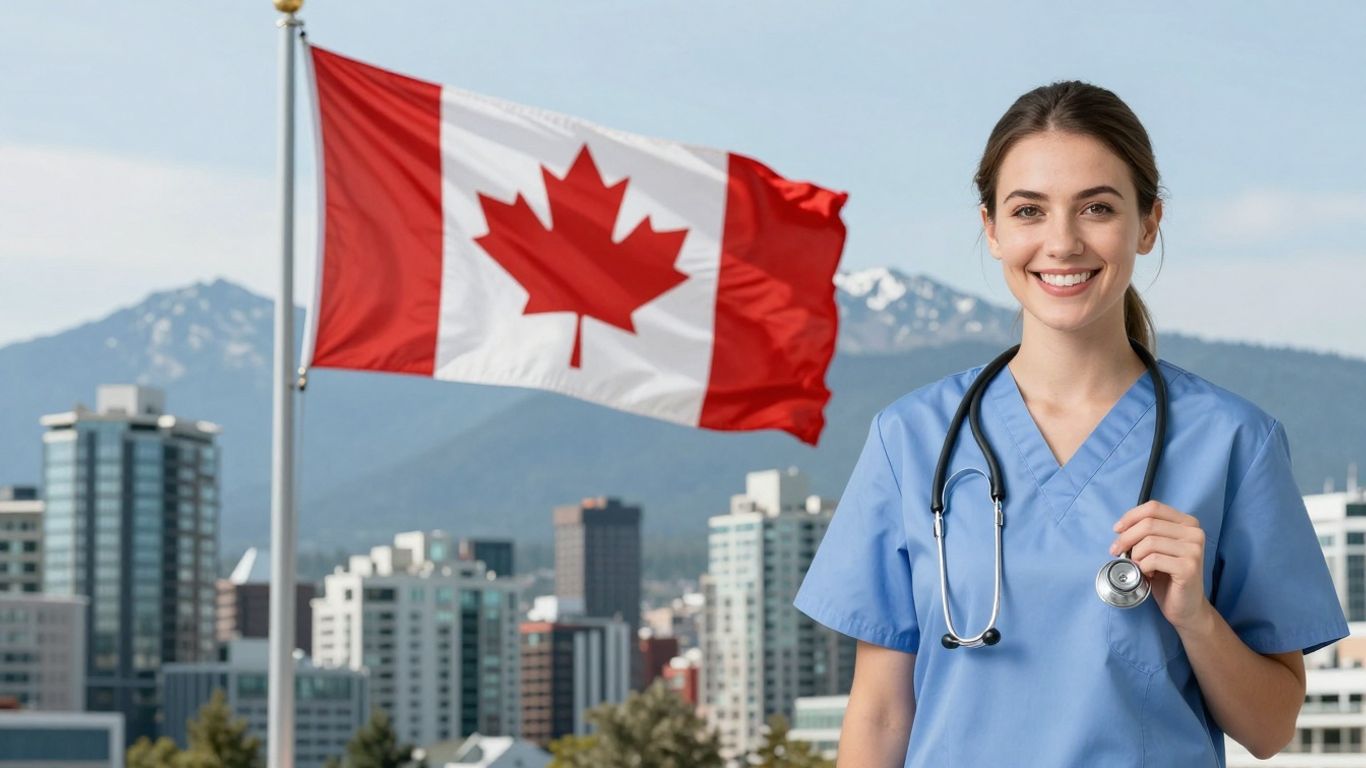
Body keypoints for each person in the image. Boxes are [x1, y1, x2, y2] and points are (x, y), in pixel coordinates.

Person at [791, 80, 1349, 767]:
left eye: (1097, 208)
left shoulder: (1234, 442)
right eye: (1029, 210)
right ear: (992, 229)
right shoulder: (911, 440)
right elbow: (878, 717)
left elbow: (1271, 728)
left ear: (1148, 224)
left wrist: (1195, 617)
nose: (1062, 241)